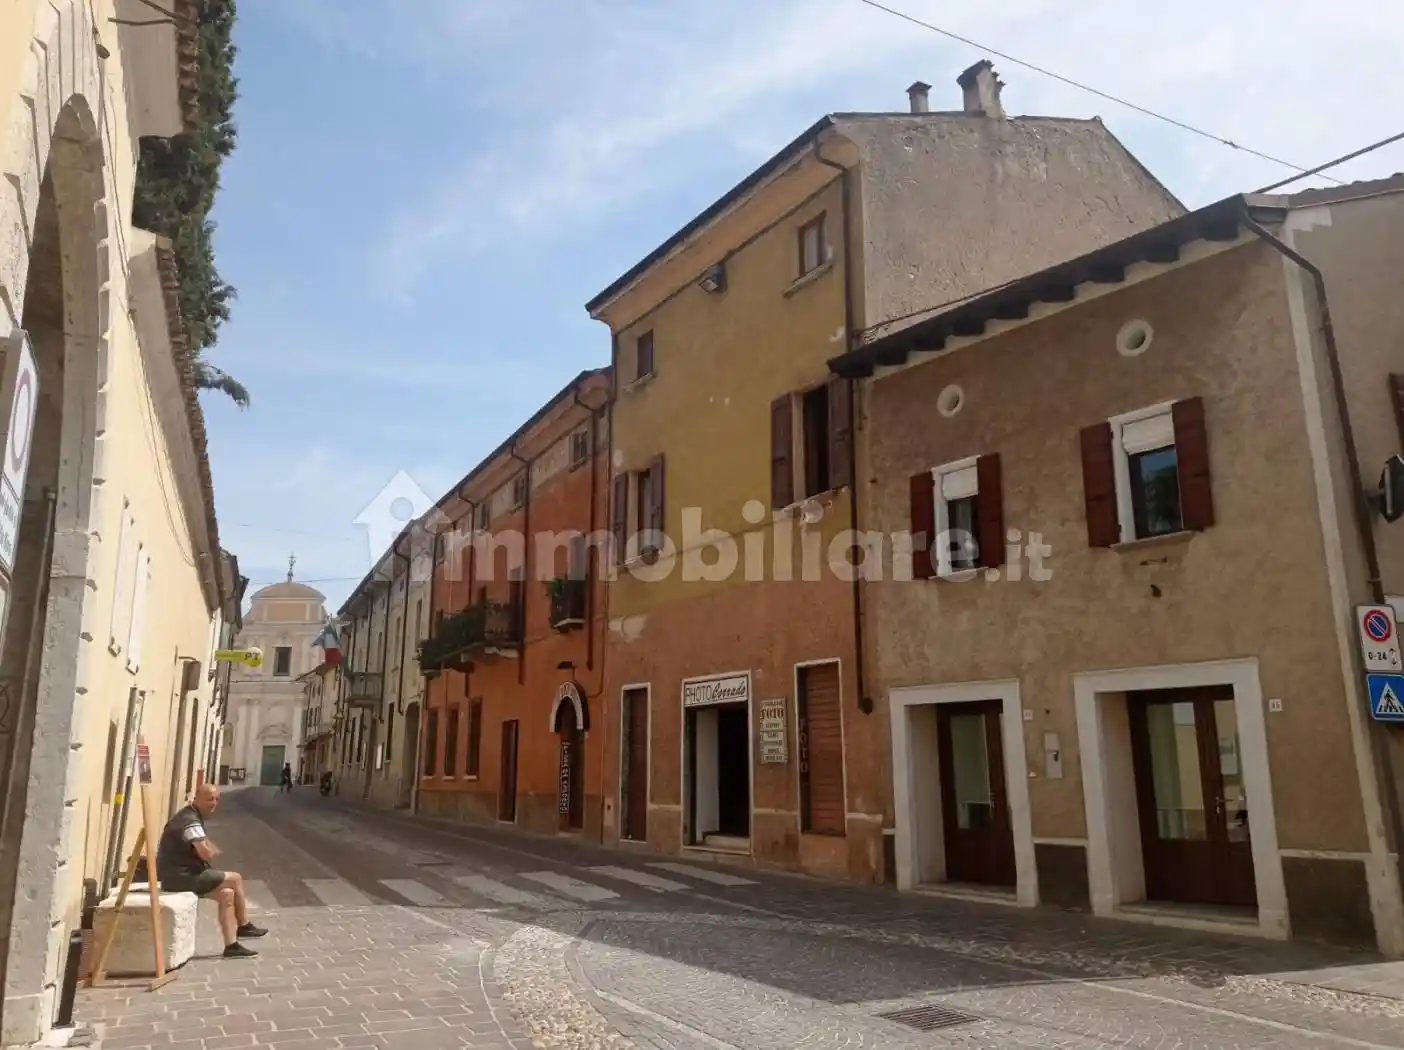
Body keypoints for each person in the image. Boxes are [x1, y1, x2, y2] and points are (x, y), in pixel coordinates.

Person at [156, 783, 267, 959]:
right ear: (196, 798)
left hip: (178, 875)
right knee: (235, 878)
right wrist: (209, 852)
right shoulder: (190, 821)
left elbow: (205, 844)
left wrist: (208, 848)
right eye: (209, 799)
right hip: (181, 876)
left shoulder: (189, 816)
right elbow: (205, 852)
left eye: (216, 799)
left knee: (227, 894)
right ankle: (244, 926)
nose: (214, 803)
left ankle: (231, 945)